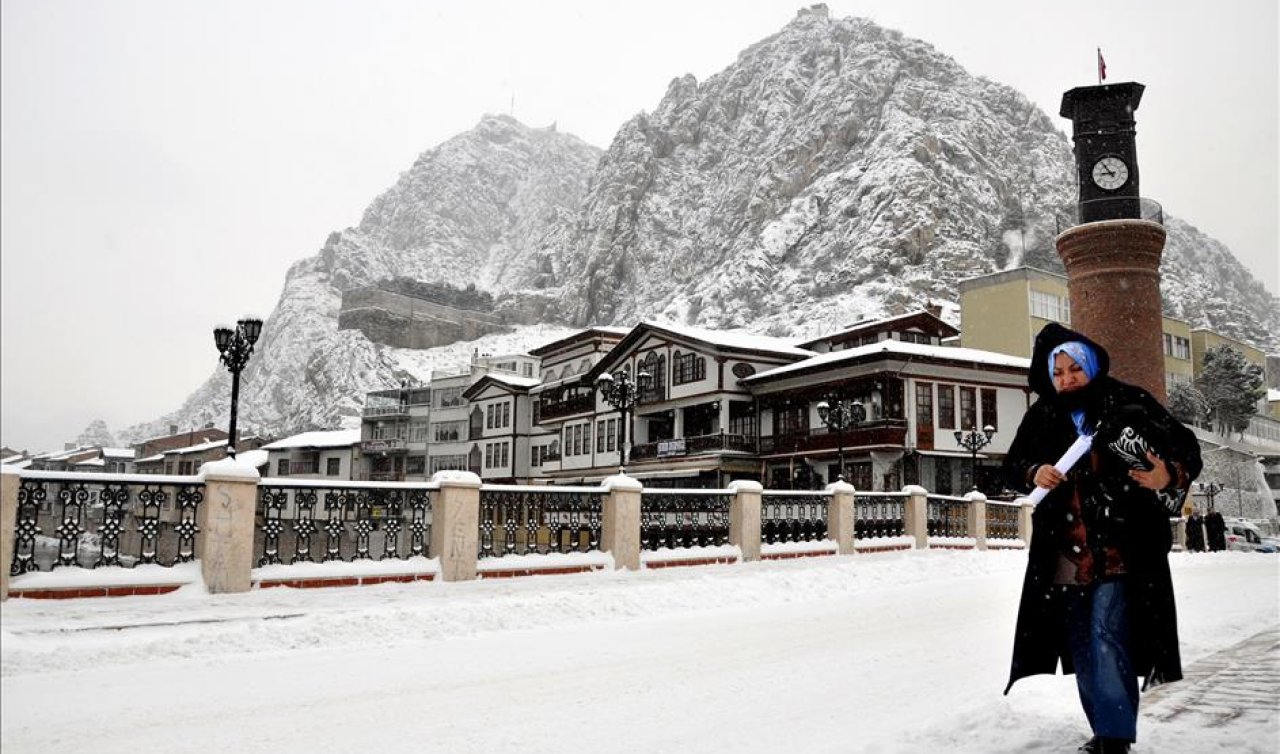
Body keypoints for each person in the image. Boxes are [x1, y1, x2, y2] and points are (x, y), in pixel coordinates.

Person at [1002, 323, 1202, 754]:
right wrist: (1033, 471)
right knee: (1082, 647)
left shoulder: (1128, 403)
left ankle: (1114, 737)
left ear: (1091, 365)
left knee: (1107, 635)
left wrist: (1168, 474)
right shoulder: (1043, 415)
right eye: (1059, 373)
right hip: (1064, 554)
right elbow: (1011, 464)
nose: (1068, 379)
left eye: (1076, 369)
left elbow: (1184, 446)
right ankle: (1104, 729)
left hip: (1121, 550)